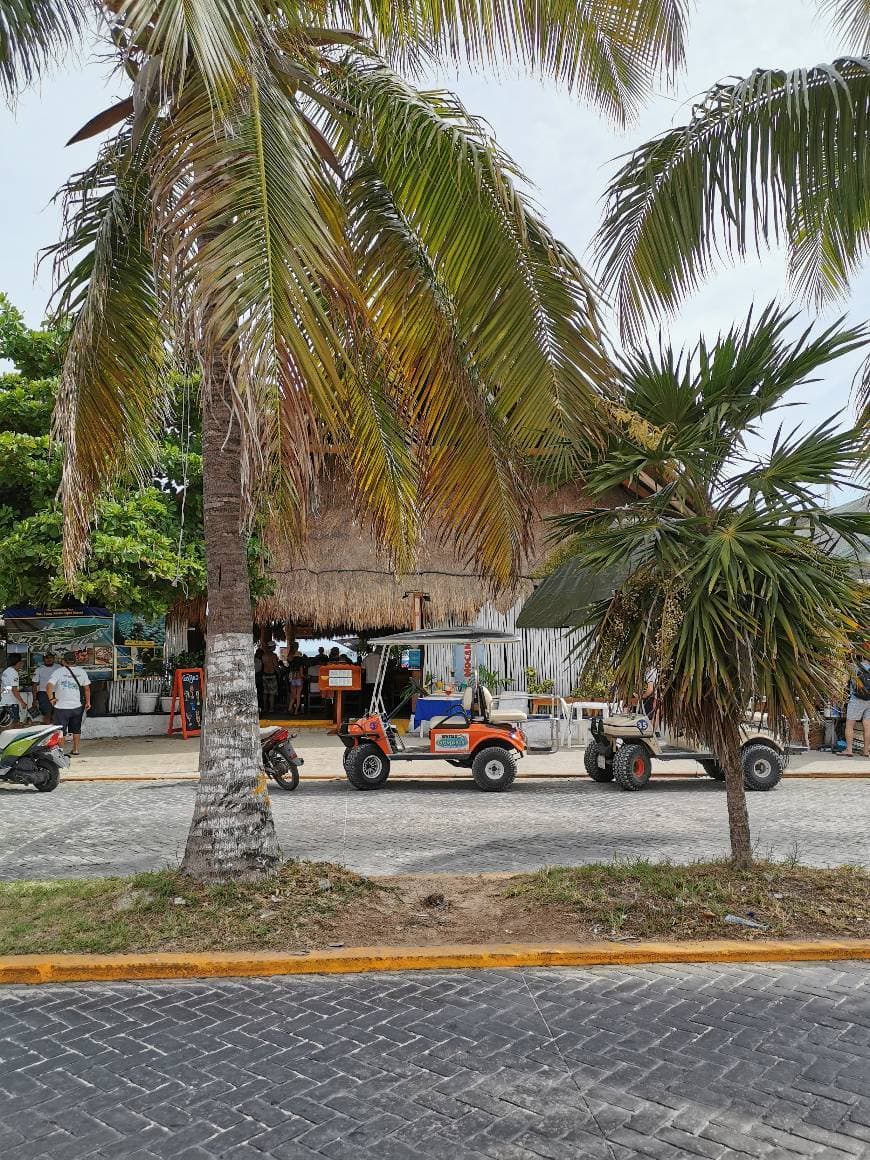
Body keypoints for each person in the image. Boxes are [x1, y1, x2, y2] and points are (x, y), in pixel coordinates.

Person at [47, 651, 91, 755]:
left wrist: (51, 699)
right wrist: (88, 702)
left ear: (63, 661)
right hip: (76, 707)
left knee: (61, 730)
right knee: (76, 729)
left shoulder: (58, 672)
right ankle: (75, 749)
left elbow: (49, 686)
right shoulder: (82, 672)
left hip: (61, 707)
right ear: (75, 660)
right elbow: (87, 689)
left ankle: (61, 751)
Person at [843, 648, 870, 757]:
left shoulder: (854, 667)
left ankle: (849, 750)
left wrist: (852, 652)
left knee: (850, 725)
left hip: (856, 699)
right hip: (869, 700)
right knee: (867, 726)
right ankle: (866, 751)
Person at [0, 655, 28, 725]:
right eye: (22, 662)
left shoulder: (6, 671)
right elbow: (14, 690)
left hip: (4, 702)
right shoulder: (14, 673)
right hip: (11, 703)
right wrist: (22, 702)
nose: (23, 664)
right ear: (18, 662)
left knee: (5, 724)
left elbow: (6, 687)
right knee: (14, 724)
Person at [31, 651, 57, 723]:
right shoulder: (39, 669)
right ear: (43, 659)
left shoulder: (59, 668)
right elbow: (34, 685)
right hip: (44, 694)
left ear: (54, 658)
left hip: (57, 693)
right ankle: (47, 732)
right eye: (46, 658)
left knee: (56, 714)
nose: (49, 659)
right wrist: (34, 699)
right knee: (47, 714)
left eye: (50, 657)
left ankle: (55, 732)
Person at [261, 641, 280, 715]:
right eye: (274, 646)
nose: (275, 647)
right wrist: (279, 673)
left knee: (265, 693)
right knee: (271, 693)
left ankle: (265, 708)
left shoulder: (263, 655)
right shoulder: (273, 655)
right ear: (272, 647)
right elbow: (275, 666)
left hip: (265, 675)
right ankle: (271, 709)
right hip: (272, 675)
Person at [287, 647, 306, 715]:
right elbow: (301, 674)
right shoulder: (300, 665)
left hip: (293, 680)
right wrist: (305, 677)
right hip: (299, 680)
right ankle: (296, 711)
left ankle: (289, 708)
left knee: (293, 696)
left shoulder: (292, 665)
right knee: (298, 696)